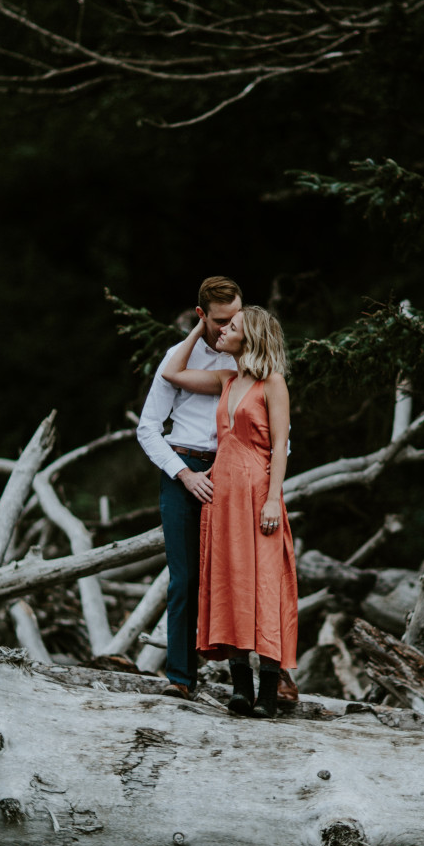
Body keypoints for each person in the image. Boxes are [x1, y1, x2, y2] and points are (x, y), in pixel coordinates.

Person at [161, 305, 297, 719]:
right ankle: (241, 688)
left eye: (231, 328)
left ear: (250, 337)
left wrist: (274, 497)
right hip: (223, 497)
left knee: (266, 585)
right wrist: (200, 326)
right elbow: (172, 372)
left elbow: (280, 446)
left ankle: (270, 693)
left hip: (258, 493)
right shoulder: (227, 380)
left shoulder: (273, 383)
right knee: (231, 582)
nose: (222, 332)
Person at [137, 276, 243, 698]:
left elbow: (279, 432)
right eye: (218, 321)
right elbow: (147, 429)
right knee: (184, 579)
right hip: (183, 471)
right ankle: (181, 679)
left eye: (235, 318)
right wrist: (183, 473)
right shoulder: (176, 359)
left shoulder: (251, 362)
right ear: (202, 316)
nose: (227, 328)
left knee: (239, 576)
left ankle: (250, 682)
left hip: (233, 475)